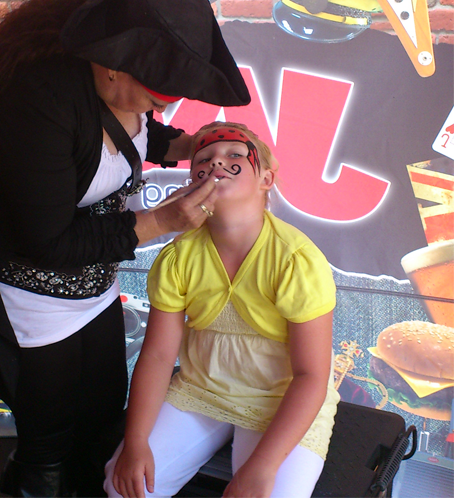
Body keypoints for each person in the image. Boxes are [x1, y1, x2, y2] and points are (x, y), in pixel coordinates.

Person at [0, 0, 251, 498]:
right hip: (28, 298)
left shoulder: (118, 90)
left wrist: (188, 146)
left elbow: (137, 133)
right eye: (156, 95)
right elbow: (47, 243)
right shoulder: (35, 104)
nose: (160, 110)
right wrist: (162, 222)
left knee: (102, 419)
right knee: (48, 440)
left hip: (90, 290)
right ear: (113, 65)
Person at [105, 122, 339, 498]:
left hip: (278, 403)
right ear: (193, 177)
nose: (217, 163)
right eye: (204, 159)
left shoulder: (297, 260)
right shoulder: (179, 256)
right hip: (201, 391)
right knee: (124, 487)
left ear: (266, 179)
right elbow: (160, 355)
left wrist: (261, 468)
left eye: (234, 155)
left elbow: (311, 375)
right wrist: (135, 443)